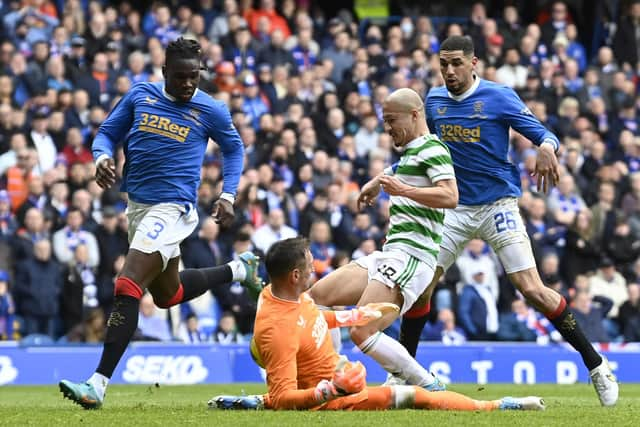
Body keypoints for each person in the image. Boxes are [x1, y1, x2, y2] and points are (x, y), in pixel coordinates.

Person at [395, 35, 618, 406]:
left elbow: (544, 134)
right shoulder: (433, 101)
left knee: (532, 289)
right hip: (454, 208)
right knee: (420, 285)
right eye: (443, 64)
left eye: (456, 63)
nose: (449, 71)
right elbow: (423, 150)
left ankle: (596, 365)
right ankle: (403, 371)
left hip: (498, 204)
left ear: (473, 63)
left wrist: (546, 148)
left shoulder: (499, 97)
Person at [59, 38, 262, 409]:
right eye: (181, 77)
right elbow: (106, 133)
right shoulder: (141, 95)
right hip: (137, 206)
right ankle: (238, 269)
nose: (188, 84)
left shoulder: (210, 109)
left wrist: (228, 194)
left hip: (174, 209)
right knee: (167, 295)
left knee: (127, 282)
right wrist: (101, 156)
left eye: (194, 77)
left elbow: (234, 149)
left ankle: (97, 383)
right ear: (165, 71)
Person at [209, 237, 544, 411]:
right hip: (333, 398)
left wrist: (350, 317)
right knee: (414, 397)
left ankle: (255, 401)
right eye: (310, 268)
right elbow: (284, 397)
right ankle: (495, 406)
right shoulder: (277, 329)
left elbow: (308, 317)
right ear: (295, 276)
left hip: (332, 372)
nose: (315, 271)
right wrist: (332, 390)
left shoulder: (278, 294)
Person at [305, 88, 458, 390]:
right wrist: (374, 184)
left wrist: (403, 191)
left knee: (362, 330)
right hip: (391, 254)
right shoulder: (413, 152)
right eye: (384, 122)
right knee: (316, 299)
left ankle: (427, 383)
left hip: (414, 257)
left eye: (391, 120)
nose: (387, 129)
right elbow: (397, 171)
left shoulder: (433, 149)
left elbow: (450, 195)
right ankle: (336, 376)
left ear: (415, 115)